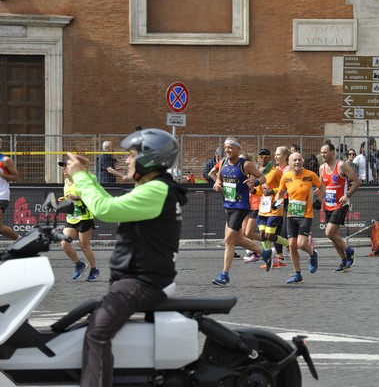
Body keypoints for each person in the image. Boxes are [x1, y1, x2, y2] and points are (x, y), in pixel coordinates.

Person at [65, 128, 187, 387]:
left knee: (97, 333)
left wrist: (80, 176)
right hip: (139, 277)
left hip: (143, 281)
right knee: (91, 322)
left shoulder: (156, 190)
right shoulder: (156, 188)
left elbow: (104, 209)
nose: (127, 161)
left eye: (131, 155)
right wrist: (86, 176)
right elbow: (110, 204)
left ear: (149, 158)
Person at [212, 137, 276, 286]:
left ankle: (224, 275)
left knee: (228, 240)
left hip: (241, 206)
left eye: (230, 147)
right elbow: (219, 179)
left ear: (238, 149)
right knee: (238, 239)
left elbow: (263, 177)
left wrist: (254, 182)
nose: (227, 150)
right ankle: (266, 253)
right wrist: (217, 184)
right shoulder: (223, 163)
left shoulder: (245, 165)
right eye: (226, 147)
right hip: (228, 205)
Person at [273, 152, 325, 284]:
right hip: (291, 215)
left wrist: (319, 200)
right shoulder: (286, 177)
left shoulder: (310, 175)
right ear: (289, 163)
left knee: (302, 244)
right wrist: (276, 203)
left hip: (305, 215)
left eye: (299, 160)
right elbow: (280, 192)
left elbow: (322, 187)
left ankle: (313, 255)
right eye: (294, 160)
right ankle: (297, 274)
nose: (297, 162)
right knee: (292, 245)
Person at [319, 143, 361, 272]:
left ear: (333, 152)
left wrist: (347, 195)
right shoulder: (321, 168)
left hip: (340, 204)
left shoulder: (341, 165)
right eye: (321, 152)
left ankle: (349, 250)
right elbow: (322, 186)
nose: (323, 155)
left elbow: (357, 181)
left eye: (325, 152)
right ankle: (344, 261)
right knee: (333, 235)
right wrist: (318, 198)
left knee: (329, 232)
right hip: (328, 205)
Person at [58, 160, 100, 281]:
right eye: (63, 167)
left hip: (84, 217)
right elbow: (70, 199)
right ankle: (79, 265)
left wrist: (76, 197)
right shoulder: (66, 182)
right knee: (64, 243)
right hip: (71, 218)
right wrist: (65, 200)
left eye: (66, 167)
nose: (64, 169)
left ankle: (94, 269)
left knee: (84, 246)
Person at [252, 148, 289, 268]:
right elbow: (259, 191)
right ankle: (269, 259)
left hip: (275, 207)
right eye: (260, 157)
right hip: (264, 207)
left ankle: (289, 244)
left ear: (269, 158)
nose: (262, 159)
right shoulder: (259, 172)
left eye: (265, 156)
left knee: (270, 236)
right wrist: (252, 190)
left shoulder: (276, 172)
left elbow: (285, 187)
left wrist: (273, 190)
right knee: (263, 235)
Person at [0, 139, 20, 241]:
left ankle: (20, 239)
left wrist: (3, 176)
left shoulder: (5, 160)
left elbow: (16, 177)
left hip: (1, 195)